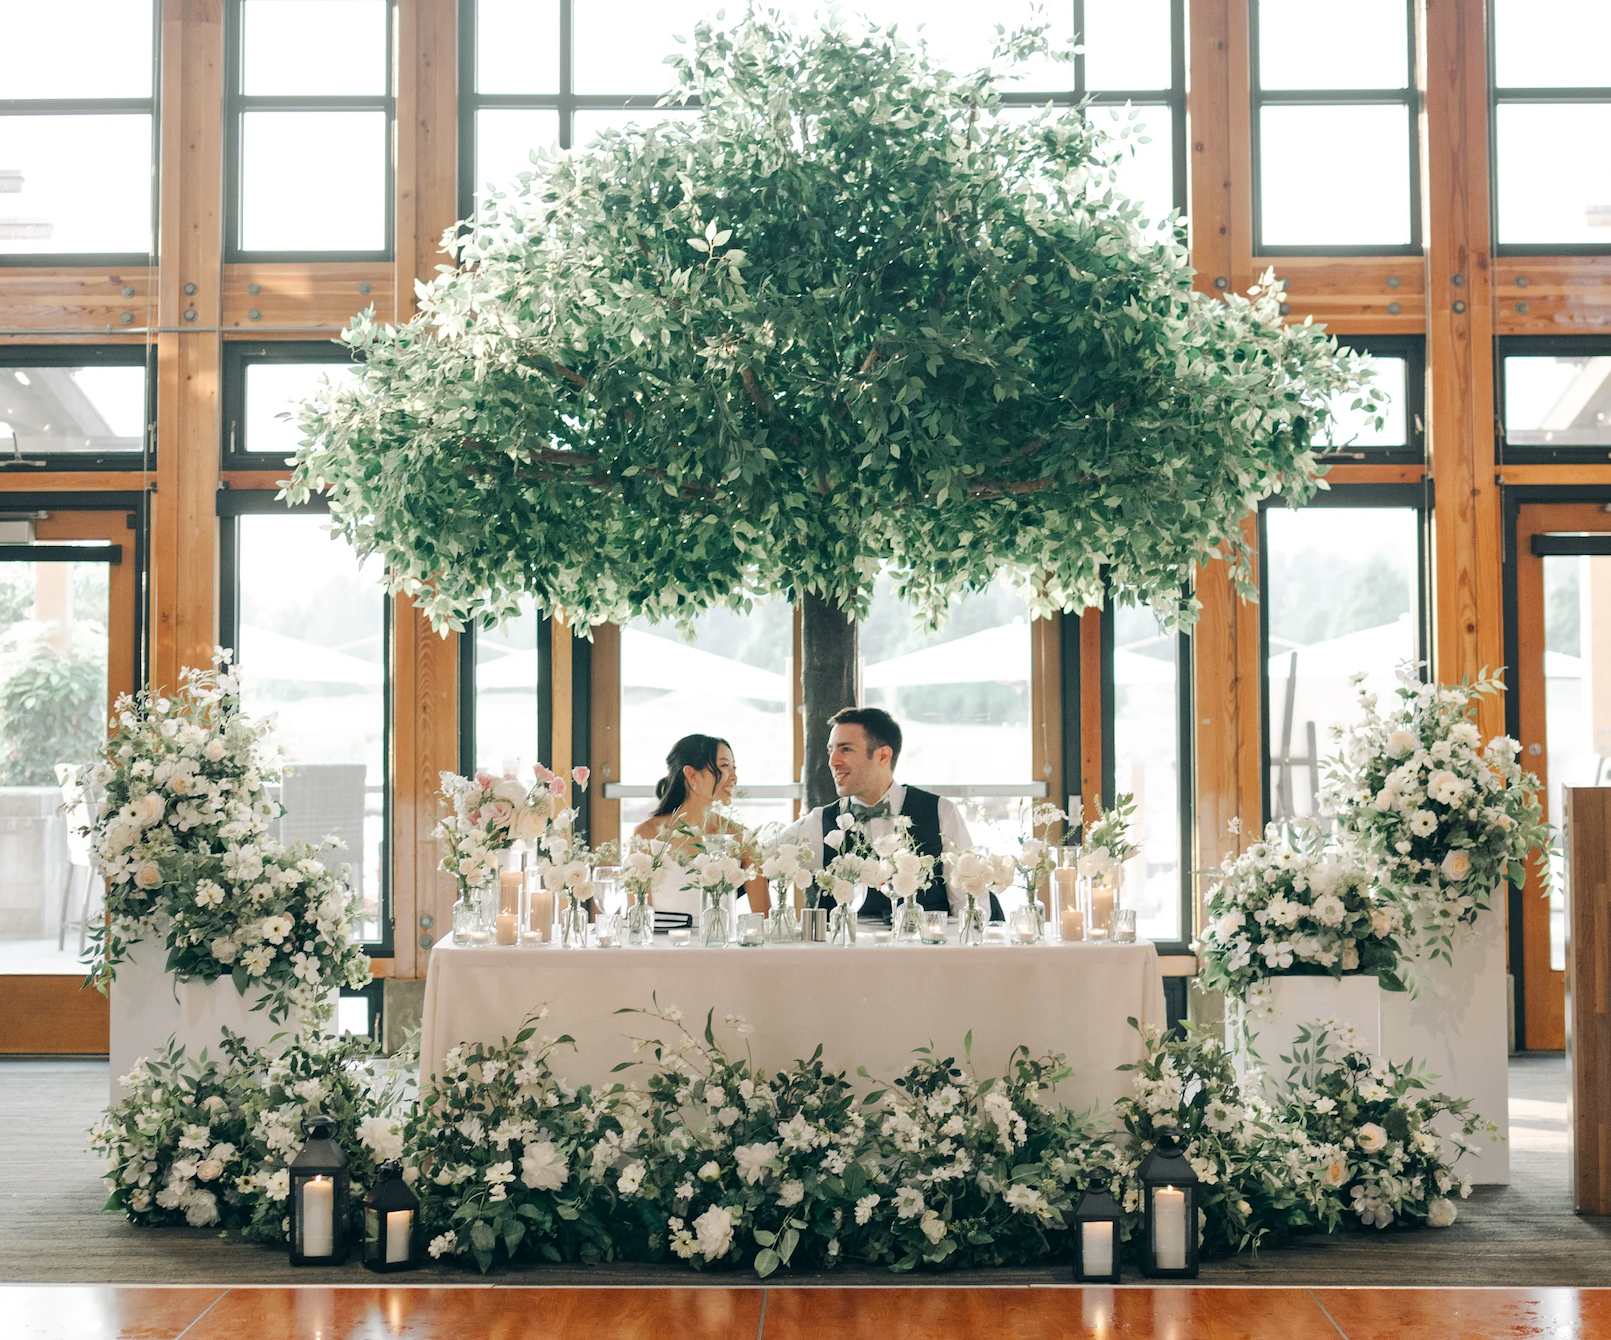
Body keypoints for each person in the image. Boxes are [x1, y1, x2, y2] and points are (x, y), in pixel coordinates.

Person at [788, 706, 975, 921]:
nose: (833, 762)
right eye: (831, 750)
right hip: (849, 952)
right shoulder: (820, 821)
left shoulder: (942, 811)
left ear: (883, 755)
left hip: (926, 950)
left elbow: (968, 902)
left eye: (845, 749)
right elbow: (757, 858)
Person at [631, 734, 770, 919]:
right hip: (662, 946)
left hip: (722, 945)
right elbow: (638, 919)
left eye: (733, 767)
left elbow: (766, 920)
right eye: (724, 766)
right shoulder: (646, 834)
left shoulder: (741, 837)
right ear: (691, 774)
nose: (734, 776)